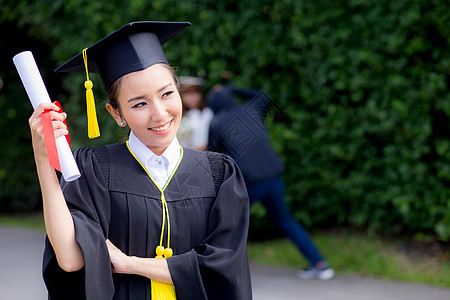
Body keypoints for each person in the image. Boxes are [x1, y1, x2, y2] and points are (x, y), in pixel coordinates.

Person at [28, 21, 252, 299]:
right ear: (116, 113)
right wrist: (43, 160)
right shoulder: (95, 169)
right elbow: (70, 258)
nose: (159, 114)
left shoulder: (219, 174)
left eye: (167, 94)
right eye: (139, 103)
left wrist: (131, 264)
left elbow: (224, 267)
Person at [207, 85, 335, 280]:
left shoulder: (217, 123)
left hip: (249, 185)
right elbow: (262, 96)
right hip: (273, 179)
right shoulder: (251, 110)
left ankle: (219, 273)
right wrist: (231, 88)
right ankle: (319, 263)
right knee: (286, 220)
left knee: (228, 225)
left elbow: (213, 156)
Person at [177, 76, 214, 150]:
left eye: (195, 93)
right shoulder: (179, 114)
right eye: (187, 94)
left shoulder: (206, 114)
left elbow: (207, 142)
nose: (191, 98)